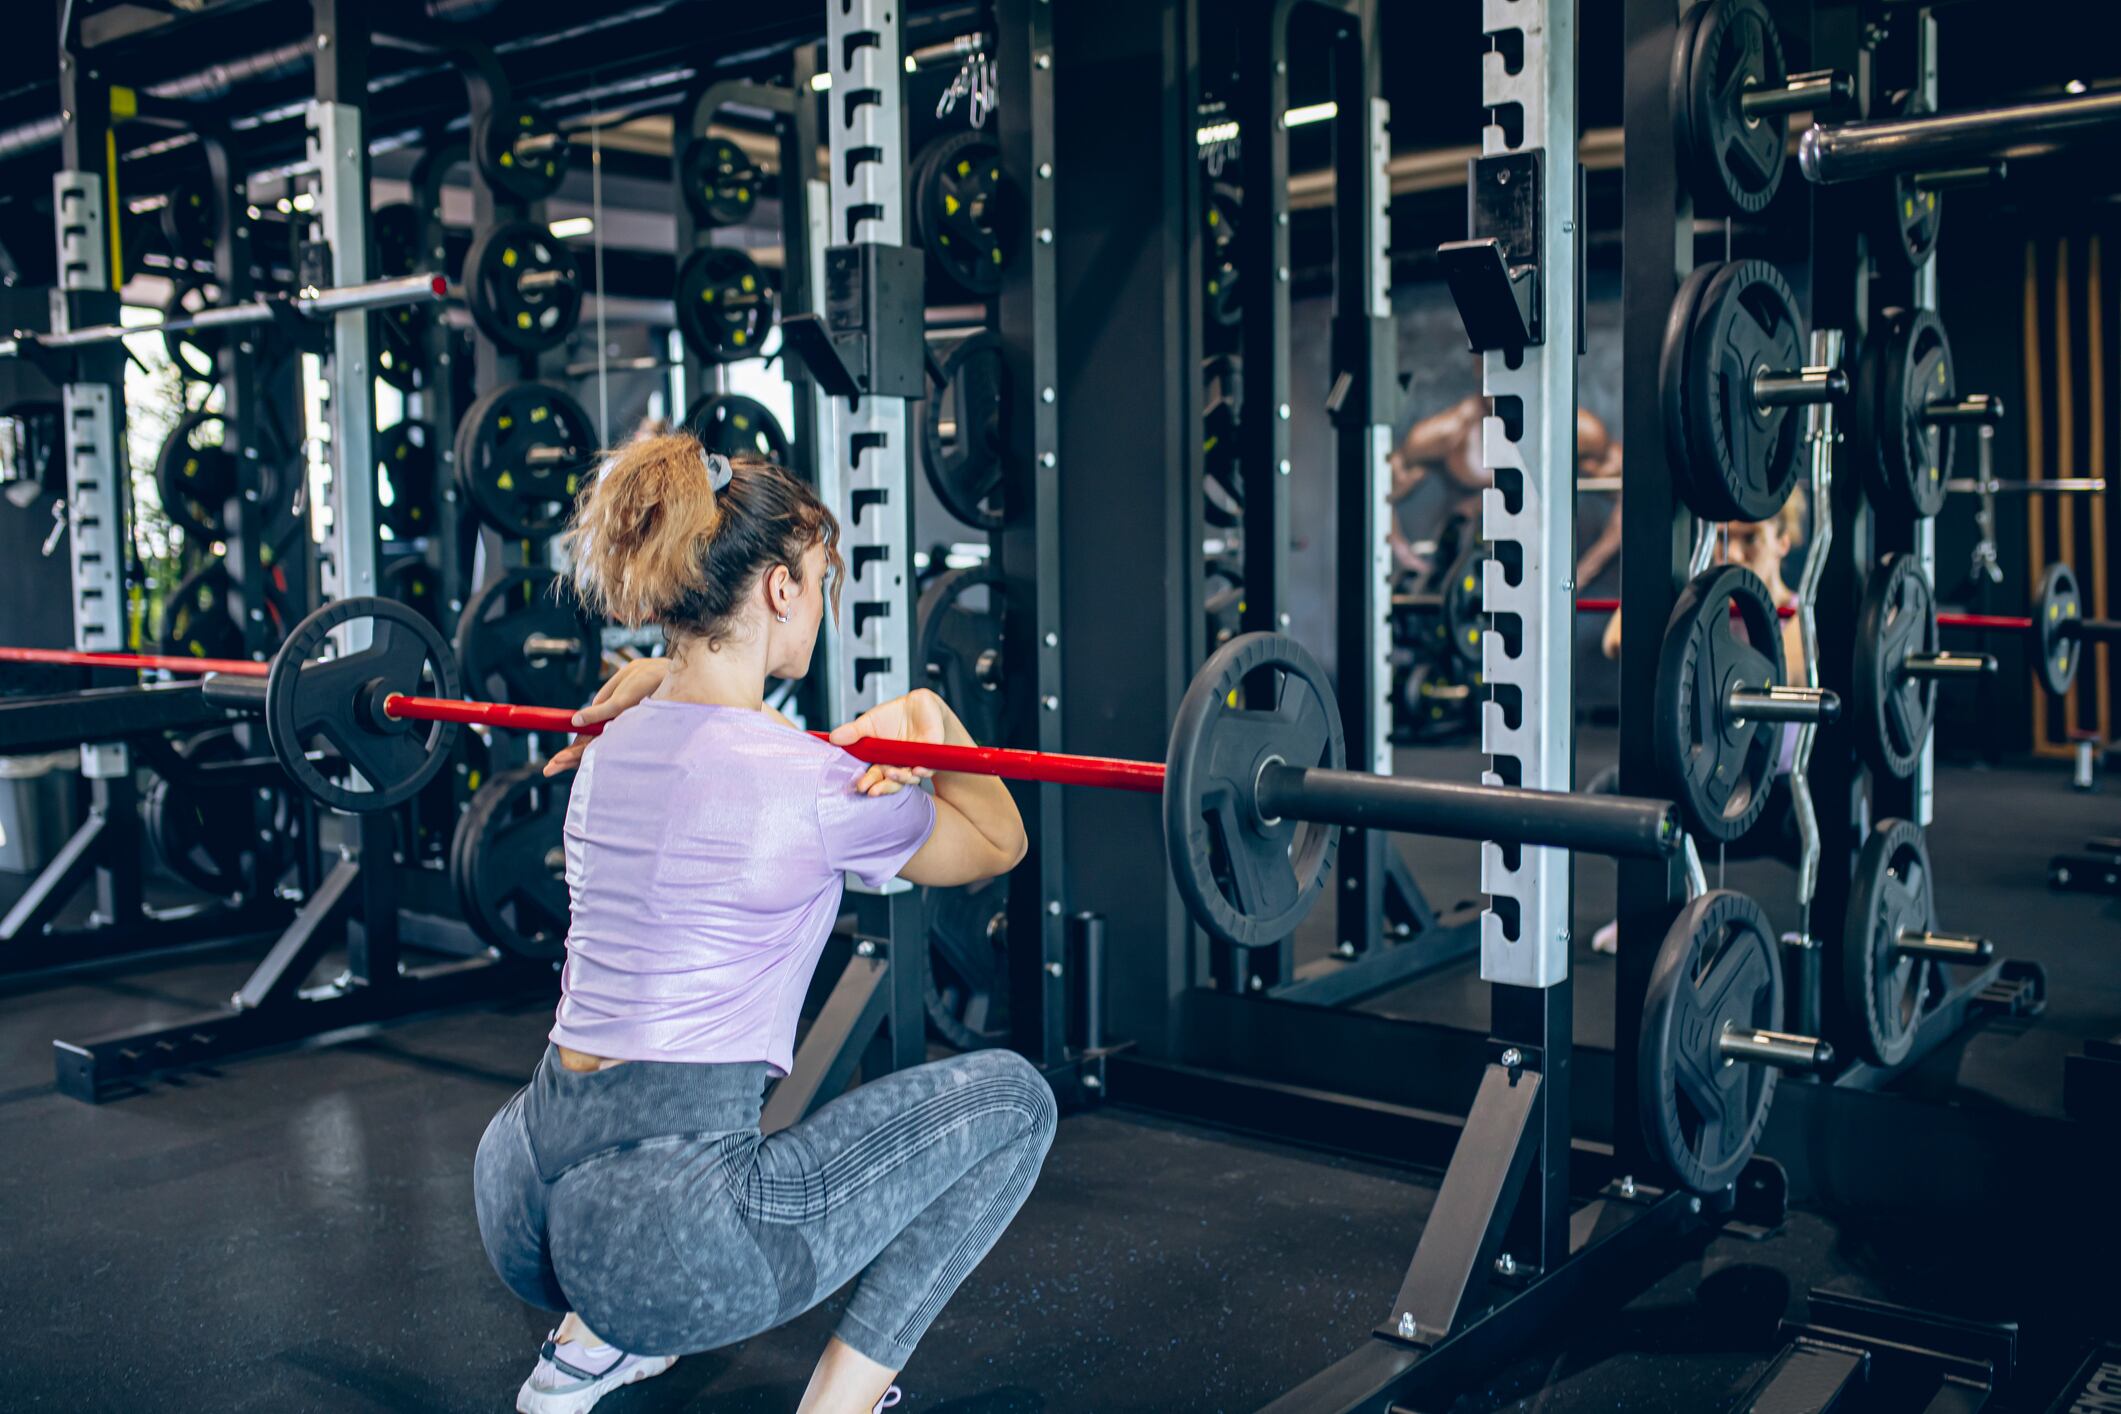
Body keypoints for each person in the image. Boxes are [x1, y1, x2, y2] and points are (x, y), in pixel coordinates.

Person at [473, 433, 1054, 1414]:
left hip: (521, 1189)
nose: (822, 609)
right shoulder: (814, 784)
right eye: (822, 581)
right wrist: (935, 719)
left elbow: (731, 744)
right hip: (661, 1237)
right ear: (781, 588)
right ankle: (839, 1405)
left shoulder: (607, 744)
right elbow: (997, 844)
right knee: (1016, 1102)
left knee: (646, 1185)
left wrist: (659, 675)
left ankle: (587, 1346)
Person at [1591, 490, 1809, 954]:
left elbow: (1788, 671)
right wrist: (1678, 602)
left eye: (1750, 539)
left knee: (1839, 819)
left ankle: (1821, 925)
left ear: (1784, 541)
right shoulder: (1704, 611)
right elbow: (1614, 640)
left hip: (1773, 799)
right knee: (1610, 798)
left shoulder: (1800, 616)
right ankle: (1657, 914)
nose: (1732, 553)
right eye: (1723, 542)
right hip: (1700, 789)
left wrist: (1749, 607)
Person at [1386, 395, 1623, 585]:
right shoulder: (1448, 433)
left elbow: (1628, 495)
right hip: (1473, 578)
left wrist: (1581, 574)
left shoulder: (1574, 430)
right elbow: (1380, 489)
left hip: (1539, 572)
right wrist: (1408, 559)